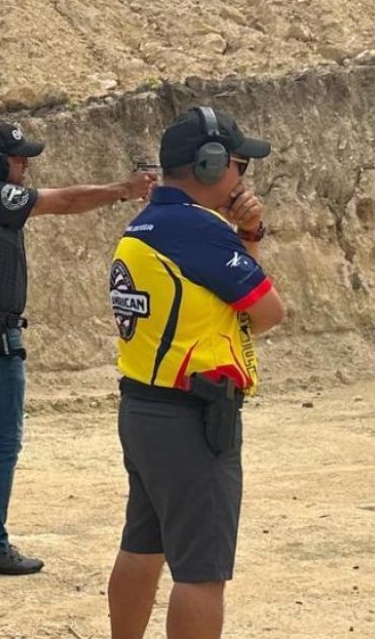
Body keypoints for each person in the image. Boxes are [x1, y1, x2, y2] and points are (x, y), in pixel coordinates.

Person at [0, 119, 156, 575]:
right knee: (3, 439)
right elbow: (68, 201)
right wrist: (124, 189)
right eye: (20, 159)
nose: (25, 167)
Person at [105, 106, 285, 638]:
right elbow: (267, 311)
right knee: (202, 573)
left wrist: (243, 235)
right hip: (194, 417)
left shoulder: (144, 225)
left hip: (144, 407)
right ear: (210, 166)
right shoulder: (197, 231)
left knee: (143, 545)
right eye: (238, 164)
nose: (242, 176)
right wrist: (248, 234)